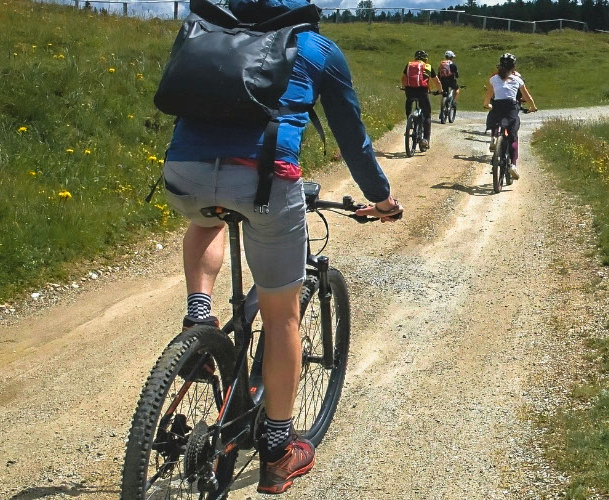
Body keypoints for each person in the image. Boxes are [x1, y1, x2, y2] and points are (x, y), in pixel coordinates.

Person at [160, 0, 402, 493]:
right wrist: (380, 198)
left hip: (182, 170)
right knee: (281, 315)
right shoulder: (315, 48)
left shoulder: (209, 29)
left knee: (206, 218)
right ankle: (277, 449)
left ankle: (199, 314)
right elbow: (352, 138)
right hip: (266, 182)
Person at [483, 52, 538, 181]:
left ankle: (494, 137)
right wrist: (533, 108)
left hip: (497, 106)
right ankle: (513, 165)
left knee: (495, 120)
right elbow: (527, 97)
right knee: (513, 137)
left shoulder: (493, 79)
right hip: (511, 108)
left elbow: (488, 96)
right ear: (513, 67)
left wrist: (487, 105)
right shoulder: (517, 79)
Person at [401, 50, 437, 148]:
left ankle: (409, 122)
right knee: (427, 114)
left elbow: (403, 78)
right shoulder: (427, 66)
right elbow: (436, 81)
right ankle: (425, 139)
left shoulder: (409, 65)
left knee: (409, 102)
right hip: (422, 92)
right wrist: (440, 90)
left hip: (409, 91)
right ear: (425, 58)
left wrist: (404, 87)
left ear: (415, 58)